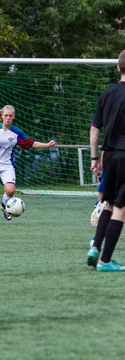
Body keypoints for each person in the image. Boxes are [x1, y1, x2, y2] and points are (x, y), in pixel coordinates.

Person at [0, 105, 56, 224]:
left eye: (10, 116)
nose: (8, 118)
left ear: (13, 117)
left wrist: (47, 145)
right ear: (2, 116)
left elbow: (31, 143)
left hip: (7, 165)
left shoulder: (17, 133)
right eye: (6, 115)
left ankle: (4, 206)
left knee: (10, 191)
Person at [87, 49, 125, 271]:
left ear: (118, 68)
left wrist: (95, 158)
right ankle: (106, 261)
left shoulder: (107, 94)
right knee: (121, 208)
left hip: (109, 155)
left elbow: (94, 129)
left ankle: (95, 247)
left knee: (108, 203)